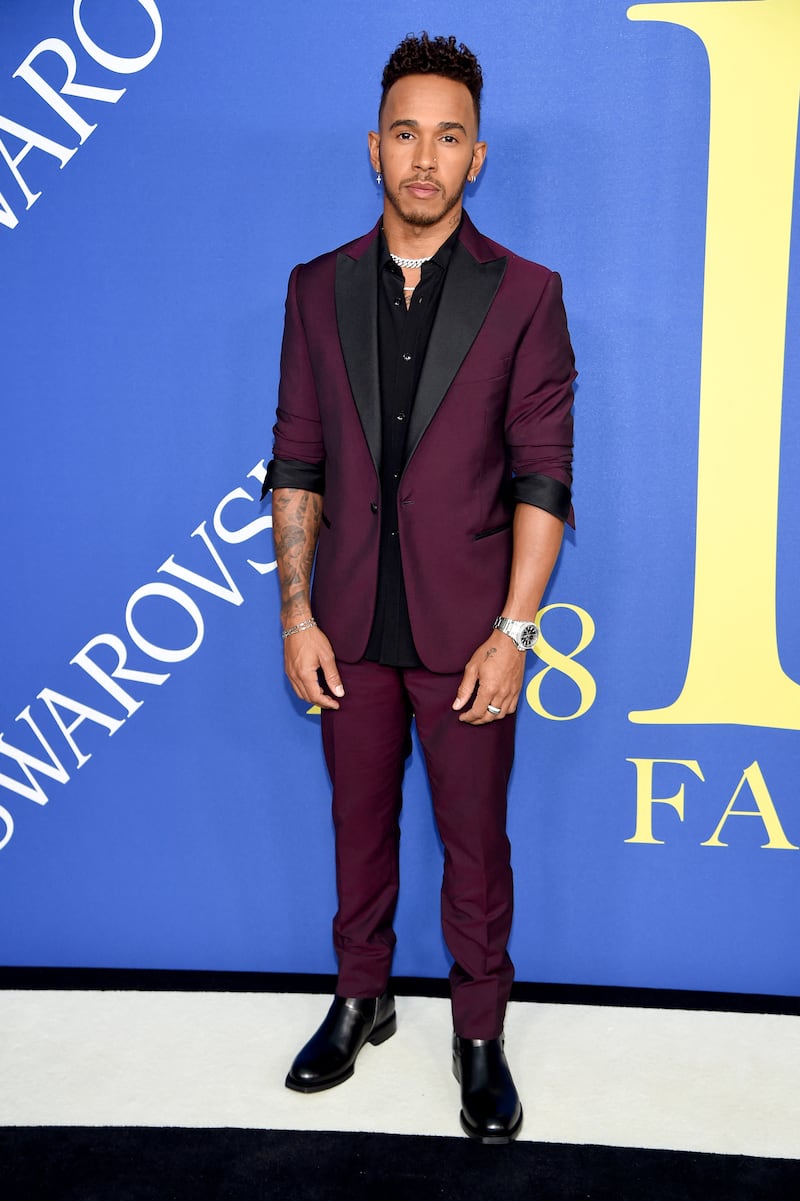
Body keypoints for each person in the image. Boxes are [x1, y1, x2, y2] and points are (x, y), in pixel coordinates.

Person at [264, 32, 576, 1144]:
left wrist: (512, 630)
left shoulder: (525, 296)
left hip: (464, 632)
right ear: (374, 147)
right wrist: (296, 613)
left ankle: (478, 1034)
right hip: (344, 623)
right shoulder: (315, 290)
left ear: (477, 158)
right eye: (406, 132)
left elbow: (543, 473)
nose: (425, 156)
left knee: (474, 844)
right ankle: (361, 996)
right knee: (358, 827)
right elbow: (295, 458)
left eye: (449, 135)